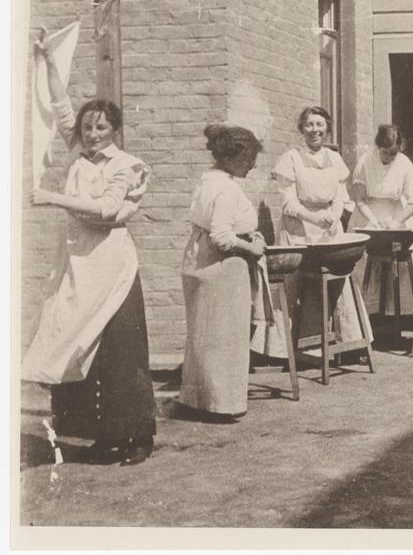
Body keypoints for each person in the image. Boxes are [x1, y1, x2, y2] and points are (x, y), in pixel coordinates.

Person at [23, 35, 156, 465]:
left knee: (122, 355)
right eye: (87, 128)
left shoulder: (127, 166)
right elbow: (60, 106)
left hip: (113, 269)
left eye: (101, 127)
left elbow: (108, 210)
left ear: (115, 129)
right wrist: (47, 58)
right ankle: (101, 435)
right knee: (81, 352)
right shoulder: (79, 152)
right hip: (79, 268)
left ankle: (138, 437)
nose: (93, 134)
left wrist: (53, 198)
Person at [252, 106, 364, 359]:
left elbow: (340, 196)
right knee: (294, 286)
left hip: (328, 227)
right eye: (309, 125)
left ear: (327, 128)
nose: (315, 130)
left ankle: (345, 343)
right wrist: (313, 217)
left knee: (337, 280)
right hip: (298, 228)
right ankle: (285, 351)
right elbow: (288, 203)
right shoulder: (291, 158)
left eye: (320, 125)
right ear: (301, 129)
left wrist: (334, 218)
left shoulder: (334, 159)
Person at [180, 125, 265, 419]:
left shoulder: (209, 180)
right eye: (248, 160)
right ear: (232, 158)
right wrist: (251, 247)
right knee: (225, 337)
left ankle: (198, 399)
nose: (252, 165)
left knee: (204, 335)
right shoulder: (226, 189)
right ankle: (221, 404)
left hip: (199, 259)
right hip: (222, 265)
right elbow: (222, 235)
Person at [350, 124, 413, 315]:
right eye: (385, 153)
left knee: (403, 265)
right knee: (363, 265)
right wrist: (373, 221)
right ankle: (365, 318)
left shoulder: (405, 164)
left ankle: (399, 315)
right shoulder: (365, 162)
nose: (390, 157)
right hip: (368, 216)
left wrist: (396, 221)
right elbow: (359, 198)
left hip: (396, 215)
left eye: (394, 153)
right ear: (377, 146)